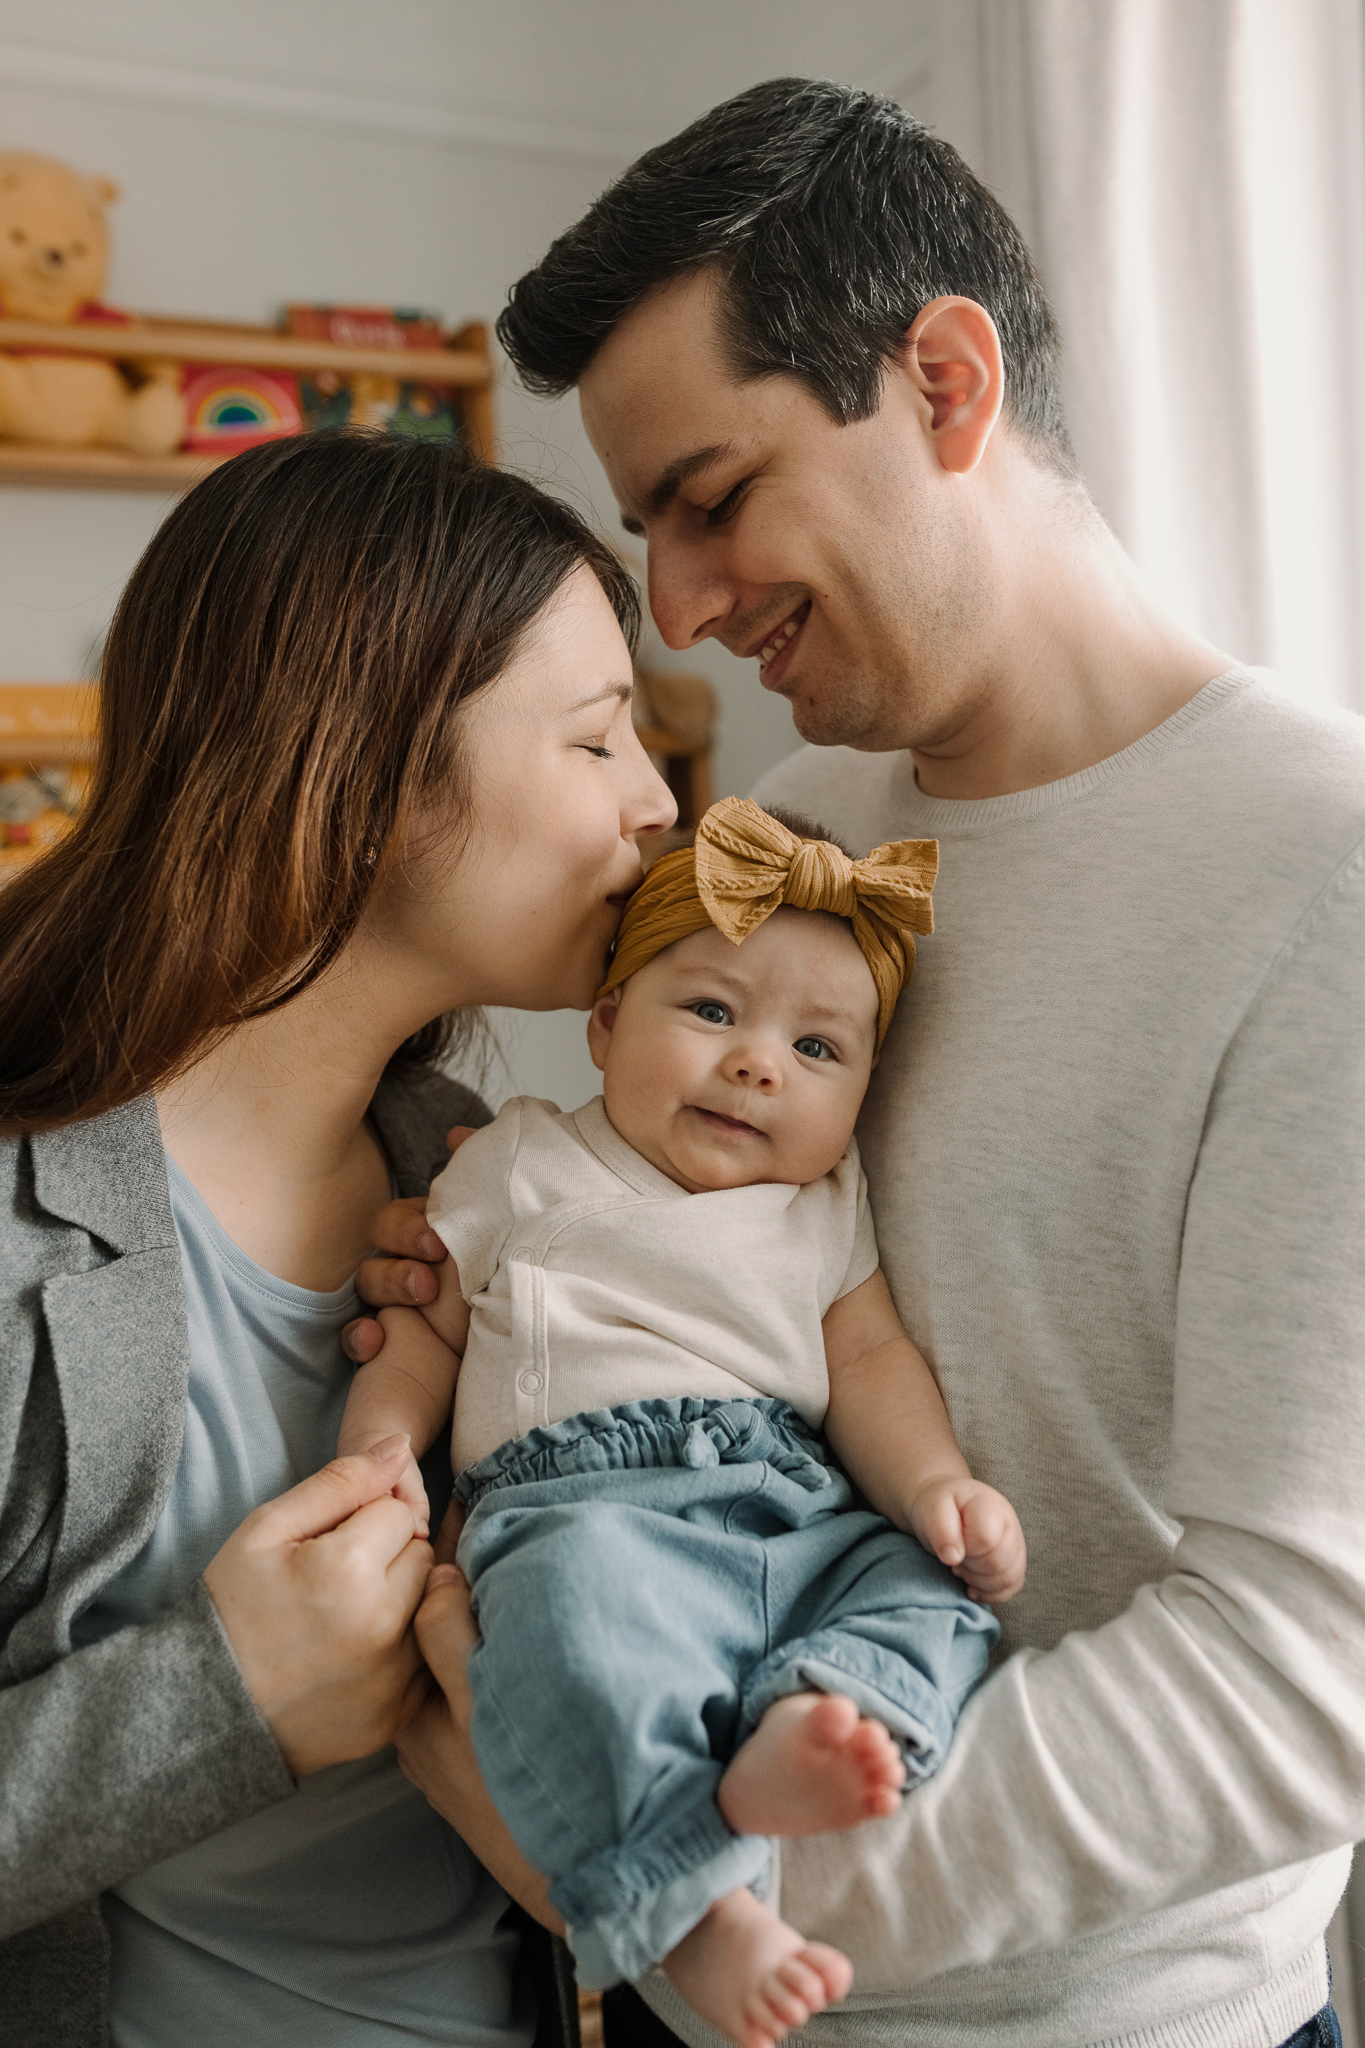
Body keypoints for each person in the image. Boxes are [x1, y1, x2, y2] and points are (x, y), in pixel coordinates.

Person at [355, 78, 1365, 2048]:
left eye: (711, 496)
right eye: (647, 528)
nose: (674, 605)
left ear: (945, 383)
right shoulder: (795, 831)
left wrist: (644, 1869)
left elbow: (1303, 1674)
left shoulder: (1320, 877)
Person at [0, 431, 675, 2045]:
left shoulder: (489, 1177)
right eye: (596, 738)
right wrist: (220, 1698)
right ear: (362, 767)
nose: (659, 801)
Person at [338, 796, 1024, 2048]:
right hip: (585, 1503)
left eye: (818, 1047)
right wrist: (379, 1455)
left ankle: (813, 1714)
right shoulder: (520, 1160)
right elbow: (425, 1326)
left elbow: (870, 1358)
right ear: (605, 1024)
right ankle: (694, 1906)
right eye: (711, 1010)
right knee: (580, 1640)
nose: (760, 1062)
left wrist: (936, 1486)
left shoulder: (826, 1201)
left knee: (935, 1600)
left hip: (795, 1505)